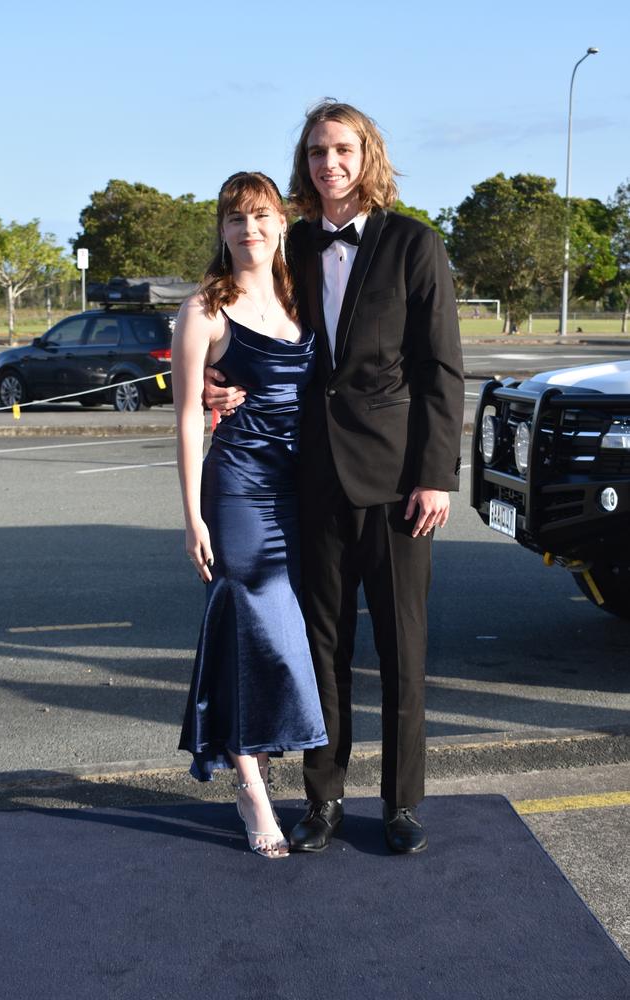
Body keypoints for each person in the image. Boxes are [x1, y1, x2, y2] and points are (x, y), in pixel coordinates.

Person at [205, 102, 464, 855]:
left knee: (401, 650)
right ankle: (322, 803)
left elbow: (442, 370)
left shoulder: (415, 243)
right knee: (321, 654)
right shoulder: (290, 247)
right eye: (317, 151)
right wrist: (222, 384)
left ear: (367, 154)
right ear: (306, 162)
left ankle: (403, 805)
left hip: (395, 489)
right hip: (307, 481)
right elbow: (257, 335)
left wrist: (434, 476)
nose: (329, 163)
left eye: (343, 149)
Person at [173, 171, 327, 860]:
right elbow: (182, 418)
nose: (249, 230)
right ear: (222, 230)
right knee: (246, 618)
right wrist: (191, 518)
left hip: (307, 490)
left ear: (283, 222)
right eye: (235, 219)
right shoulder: (204, 308)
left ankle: (263, 758)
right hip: (237, 487)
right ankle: (251, 787)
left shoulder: (308, 297)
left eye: (260, 215)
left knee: (290, 636)